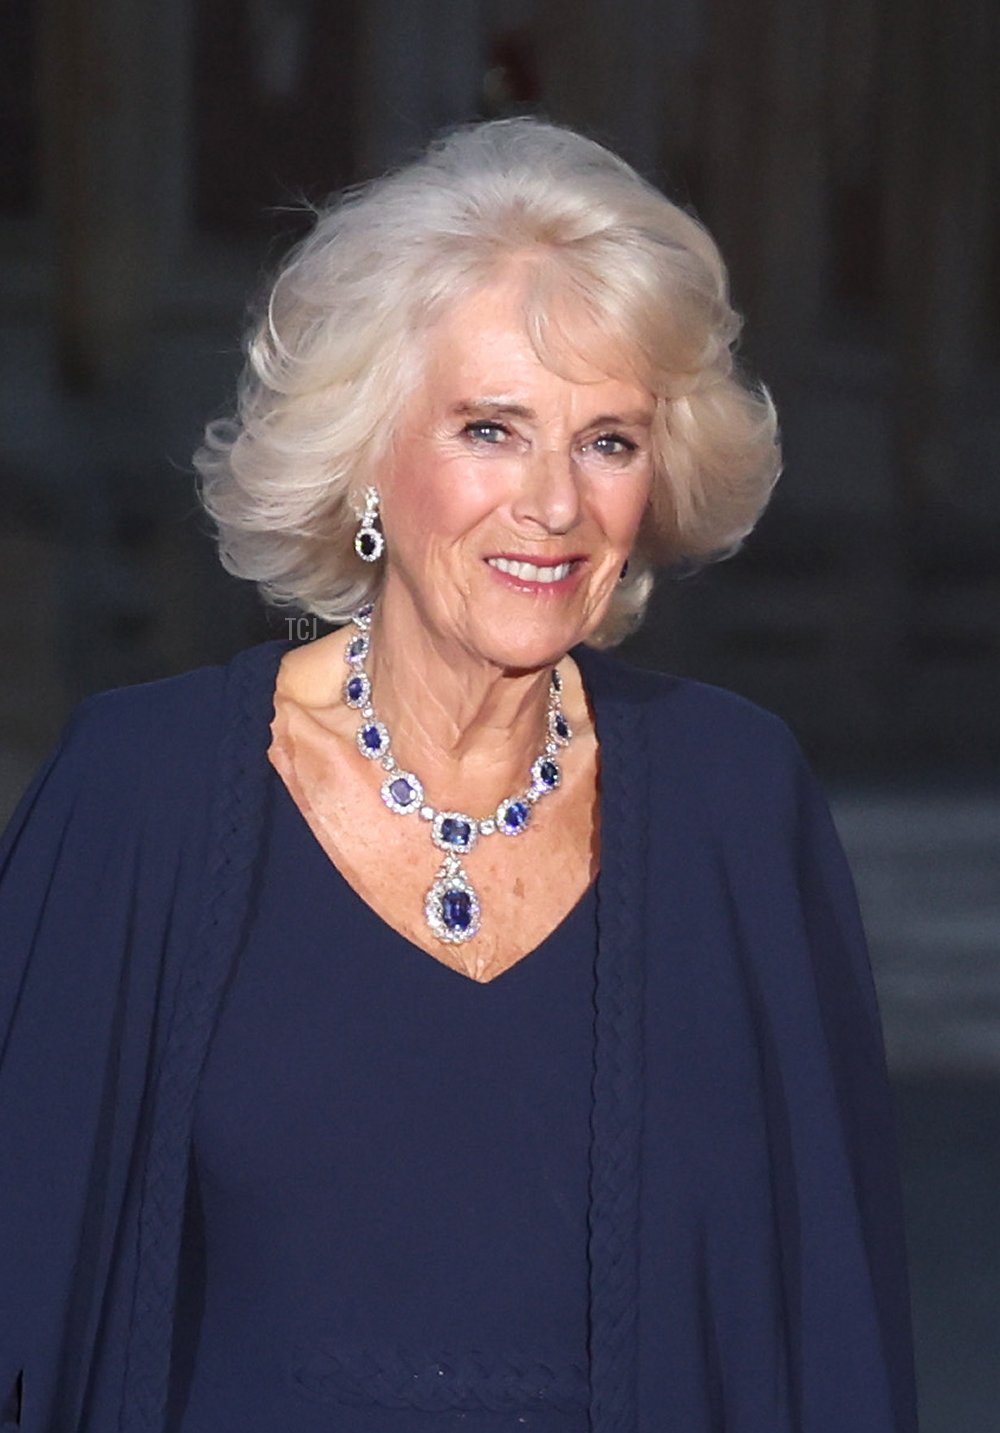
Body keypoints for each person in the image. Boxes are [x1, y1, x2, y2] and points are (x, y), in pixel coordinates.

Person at [0, 119, 916, 1433]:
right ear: (371, 452)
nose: (554, 503)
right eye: (493, 428)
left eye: (607, 440)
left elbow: (833, 1337)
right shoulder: (135, 795)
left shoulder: (738, 806)